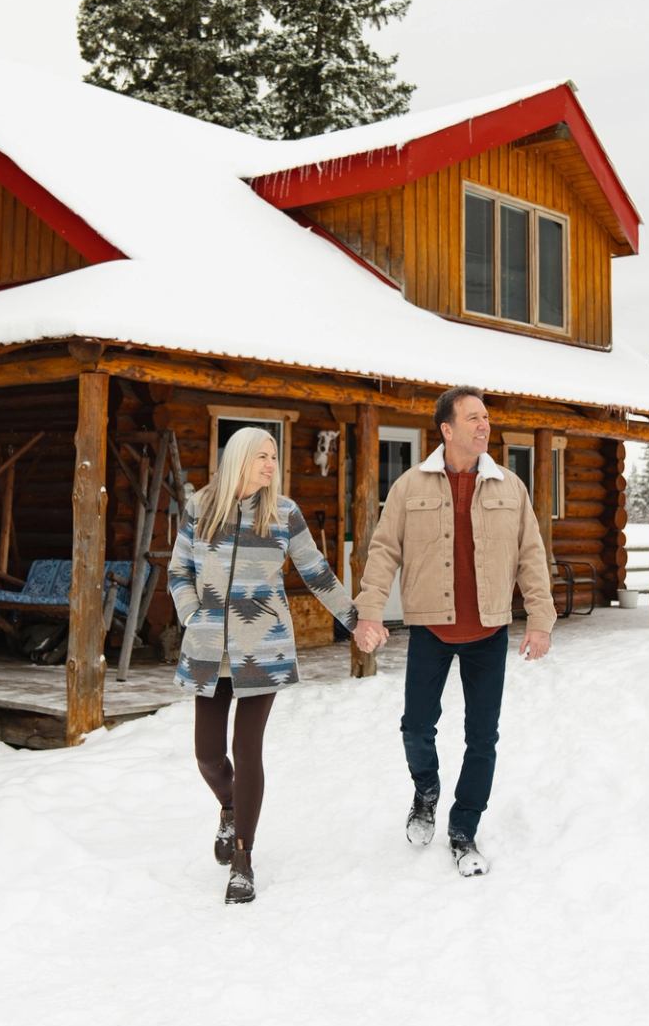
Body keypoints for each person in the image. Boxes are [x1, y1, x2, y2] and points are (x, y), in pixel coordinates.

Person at [353, 387, 554, 877]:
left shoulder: (510, 487)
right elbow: (383, 552)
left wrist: (541, 619)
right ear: (447, 430)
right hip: (430, 629)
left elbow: (531, 555)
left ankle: (464, 829)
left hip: (488, 630)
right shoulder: (408, 487)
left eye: (486, 417)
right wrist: (370, 612)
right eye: (473, 418)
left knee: (482, 738)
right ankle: (426, 791)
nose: (484, 425)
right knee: (416, 728)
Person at [168, 425, 369, 904]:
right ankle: (230, 807)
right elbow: (179, 570)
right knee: (207, 755)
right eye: (261, 456)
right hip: (208, 647)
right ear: (239, 459)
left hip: (264, 647)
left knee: (248, 748)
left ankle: (243, 859)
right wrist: (192, 614)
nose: (270, 464)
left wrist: (355, 620)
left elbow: (317, 572)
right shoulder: (200, 507)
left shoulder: (283, 513)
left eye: (273, 456)